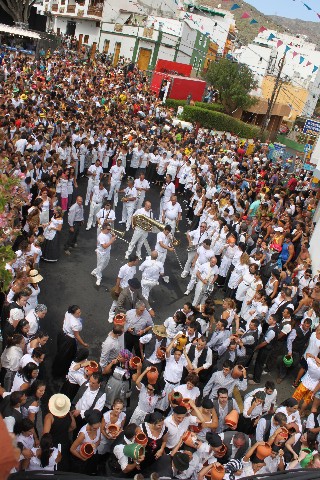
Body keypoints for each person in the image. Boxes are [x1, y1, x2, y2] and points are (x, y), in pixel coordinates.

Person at [52, 305, 88, 378]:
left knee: (60, 352)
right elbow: (77, 335)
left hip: (62, 333)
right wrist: (83, 343)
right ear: (73, 313)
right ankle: (60, 372)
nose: (79, 314)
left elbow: (64, 320)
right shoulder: (75, 324)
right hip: (69, 340)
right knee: (66, 356)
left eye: (80, 312)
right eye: (77, 313)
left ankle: (56, 367)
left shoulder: (68, 313)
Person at [43, 393, 76, 471]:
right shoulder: (69, 414)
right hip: (65, 441)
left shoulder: (49, 417)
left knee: (55, 465)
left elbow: (45, 434)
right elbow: (73, 426)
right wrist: (63, 431)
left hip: (53, 444)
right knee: (64, 463)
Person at [70, 410, 102, 474]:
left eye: (98, 428)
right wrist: (82, 458)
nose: (97, 429)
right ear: (89, 425)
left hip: (92, 454)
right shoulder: (83, 434)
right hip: (82, 456)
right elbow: (72, 449)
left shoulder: (98, 427)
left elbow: (99, 440)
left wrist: (95, 445)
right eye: (94, 428)